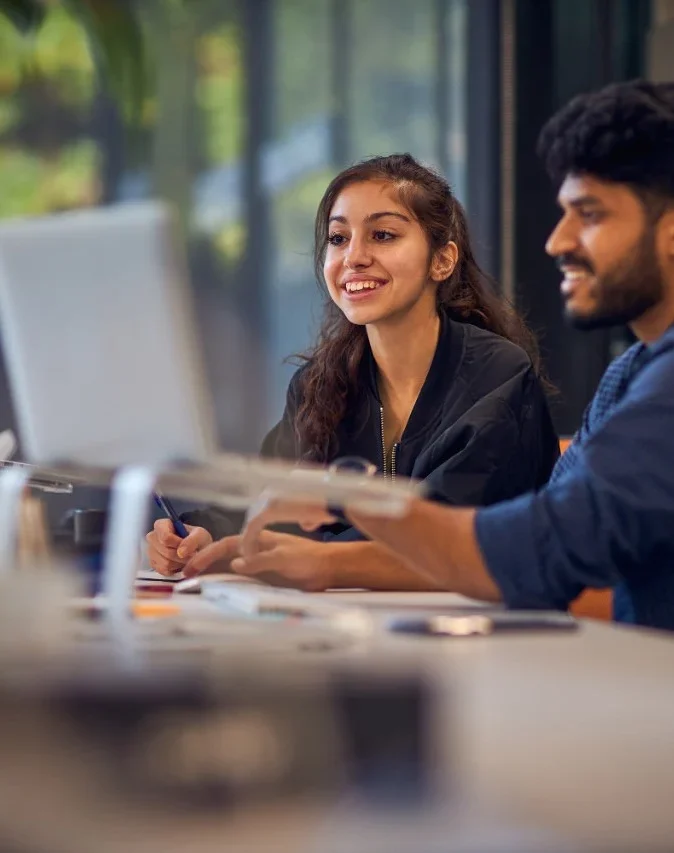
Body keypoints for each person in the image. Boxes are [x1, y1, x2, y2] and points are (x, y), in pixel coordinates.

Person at [237, 80, 674, 631]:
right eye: (338, 239)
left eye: (589, 215)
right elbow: (541, 532)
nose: (557, 242)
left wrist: (343, 502)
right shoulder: (631, 375)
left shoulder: (525, 377)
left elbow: (538, 550)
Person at [147, 154, 559, 589]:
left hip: (479, 632)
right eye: (338, 238)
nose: (354, 257)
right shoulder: (318, 384)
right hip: (352, 623)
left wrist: (309, 557)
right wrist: (200, 534)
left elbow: (444, 536)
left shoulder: (498, 375)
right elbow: (266, 496)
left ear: (442, 261)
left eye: (383, 235)